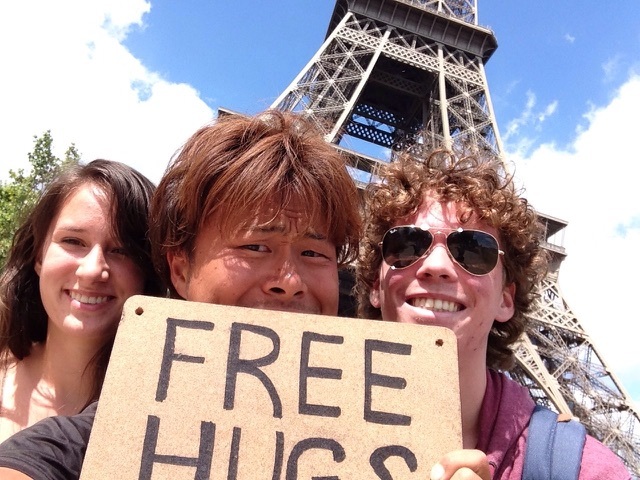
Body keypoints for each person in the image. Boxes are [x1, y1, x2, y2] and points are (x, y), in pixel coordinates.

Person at [0, 110, 362, 479]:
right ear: (180, 270)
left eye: (314, 253)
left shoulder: (387, 426)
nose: (290, 281)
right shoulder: (102, 431)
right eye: (254, 246)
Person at [356, 147, 631, 479]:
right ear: (376, 286)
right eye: (406, 244)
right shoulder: (302, 430)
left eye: (473, 251)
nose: (436, 265)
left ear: (505, 299)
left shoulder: (583, 469)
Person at [0, 159, 164, 444]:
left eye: (122, 250)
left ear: (148, 272)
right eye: (73, 241)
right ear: (39, 256)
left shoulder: (167, 415)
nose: (92, 270)